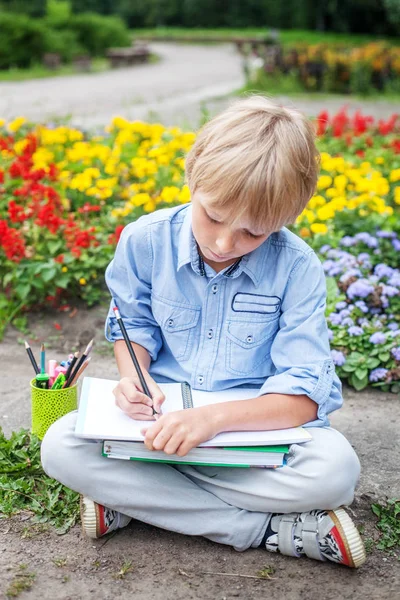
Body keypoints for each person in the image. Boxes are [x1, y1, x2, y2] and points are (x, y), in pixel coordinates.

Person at [41, 96, 366, 568]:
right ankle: (267, 529)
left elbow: (305, 400)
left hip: (249, 436)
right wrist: (135, 377)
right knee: (60, 445)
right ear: (193, 176)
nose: (223, 243)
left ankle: (139, 498)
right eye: (212, 216)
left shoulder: (297, 269)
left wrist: (212, 422)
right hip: (158, 427)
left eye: (252, 233)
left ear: (286, 219)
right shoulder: (144, 240)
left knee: (336, 472)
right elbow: (133, 328)